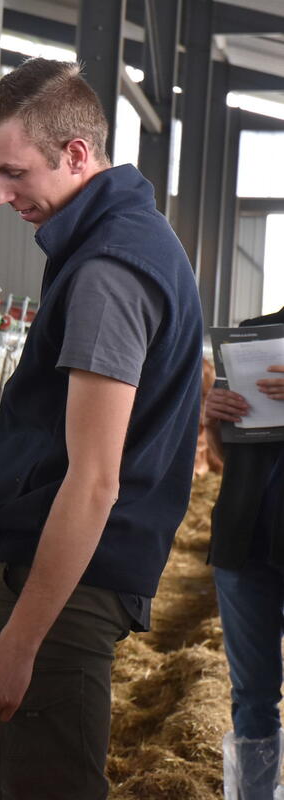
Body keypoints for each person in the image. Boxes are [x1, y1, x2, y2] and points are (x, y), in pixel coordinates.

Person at [0, 58, 203, 800]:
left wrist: (18, 644)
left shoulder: (106, 271)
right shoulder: (123, 240)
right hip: (65, 574)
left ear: (76, 155)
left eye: (12, 173)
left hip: (61, 584)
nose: (0, 196)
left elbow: (93, 480)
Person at [205, 305, 284, 800]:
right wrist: (213, 418)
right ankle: (255, 795)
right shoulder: (254, 336)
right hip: (244, 536)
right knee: (252, 693)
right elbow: (220, 451)